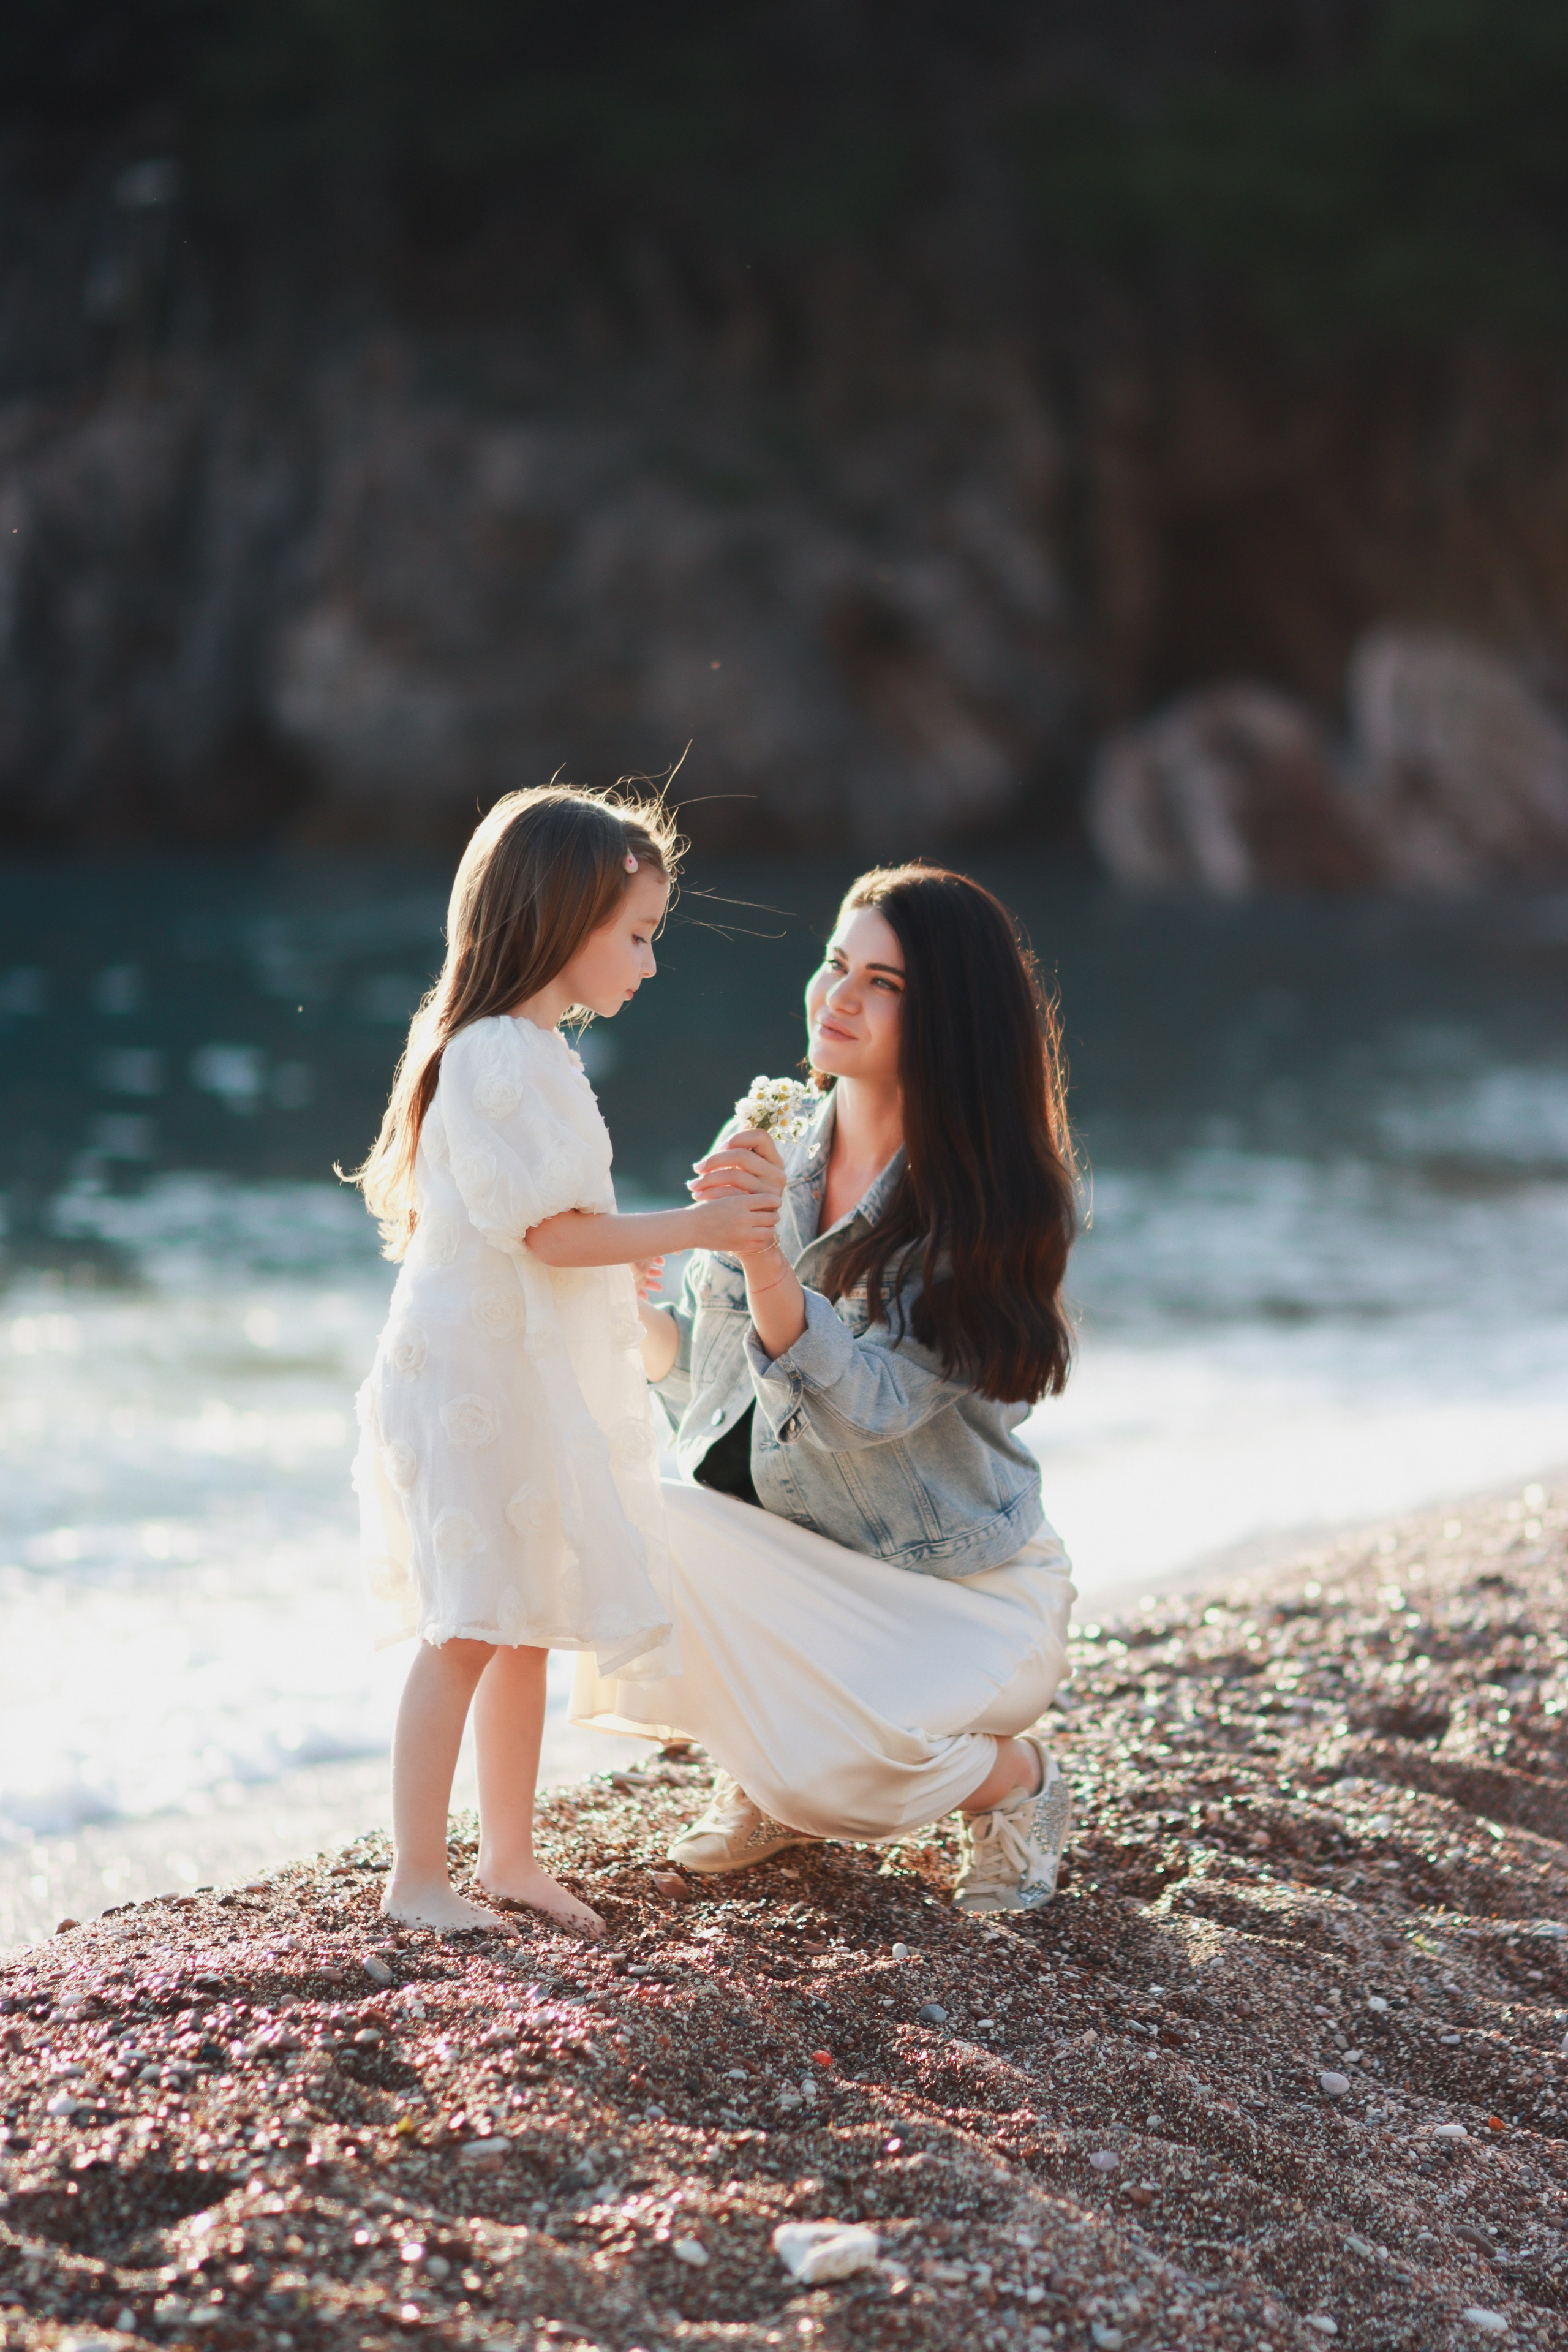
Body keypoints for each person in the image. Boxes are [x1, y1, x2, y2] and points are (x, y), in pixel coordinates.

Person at [573, 862, 1080, 1914]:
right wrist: (626, 1315)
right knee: (631, 1505)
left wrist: (763, 1256)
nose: (838, 998)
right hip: (811, 1573)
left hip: (965, 1597)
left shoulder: (996, 1204)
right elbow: (719, 1400)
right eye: (836, 964)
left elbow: (864, 1412)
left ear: (950, 1018)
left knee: (843, 1779)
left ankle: (1018, 1782)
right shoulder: (769, 1140)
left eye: (883, 984)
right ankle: (768, 1765)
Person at [348, 786, 778, 1936]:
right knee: (468, 1624)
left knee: (523, 1617)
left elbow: (554, 1237)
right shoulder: (494, 1049)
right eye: (636, 934)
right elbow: (547, 1234)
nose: (649, 961)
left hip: (515, 1366)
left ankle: (511, 1859)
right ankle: (416, 1877)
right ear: (562, 919)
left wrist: (615, 1268)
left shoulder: (533, 1050)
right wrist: (697, 1229)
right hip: (471, 1381)